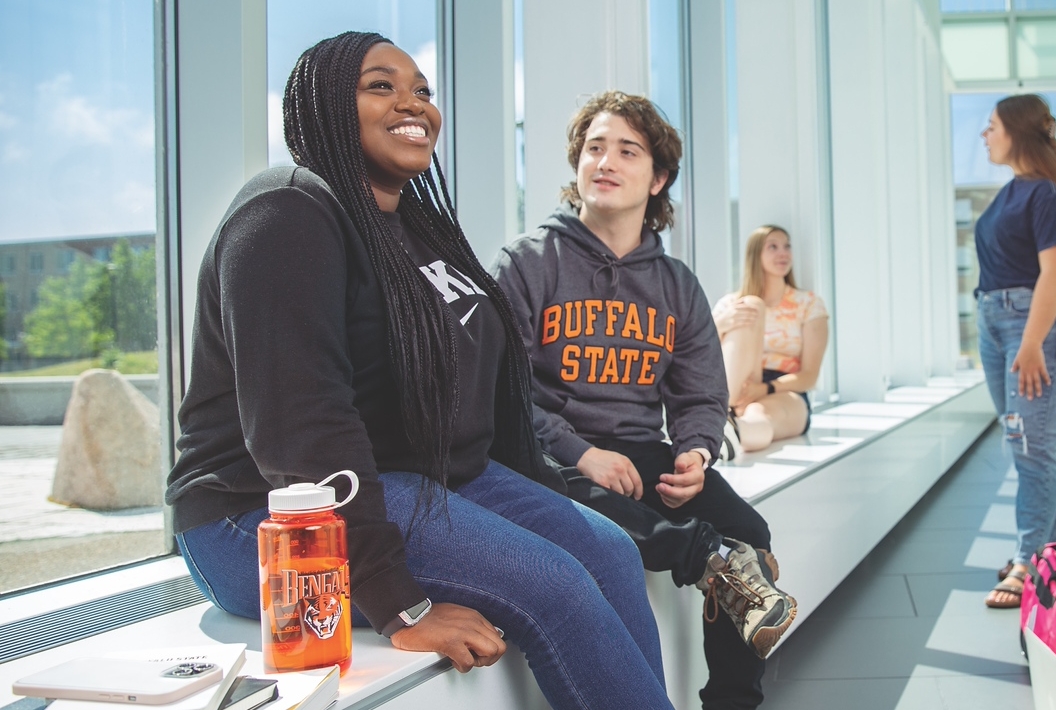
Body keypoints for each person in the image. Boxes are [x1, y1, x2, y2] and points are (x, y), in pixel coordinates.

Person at [165, 34, 672, 710]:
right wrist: (397, 603)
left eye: (423, 91)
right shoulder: (285, 213)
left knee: (610, 553)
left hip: (419, 478)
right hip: (267, 515)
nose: (413, 103)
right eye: (381, 85)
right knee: (557, 586)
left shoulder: (418, 225)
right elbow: (300, 427)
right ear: (323, 104)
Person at [492, 90, 795, 710]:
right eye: (593, 148)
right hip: (553, 459)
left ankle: (733, 701)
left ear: (657, 178)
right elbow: (500, 394)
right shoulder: (526, 263)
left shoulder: (675, 284)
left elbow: (700, 392)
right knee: (606, 517)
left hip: (642, 454)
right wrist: (581, 453)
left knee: (750, 531)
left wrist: (695, 453)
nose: (605, 161)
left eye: (626, 151)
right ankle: (705, 556)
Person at [974, 94, 1056, 609]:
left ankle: (1028, 560)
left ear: (1017, 131)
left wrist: (1031, 343)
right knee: (1027, 447)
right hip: (996, 322)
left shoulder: (1045, 195)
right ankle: (1054, 556)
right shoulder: (1013, 192)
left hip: (1034, 328)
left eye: (992, 126)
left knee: (1031, 448)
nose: (984, 134)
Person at [712, 225, 829, 453]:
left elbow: (810, 376)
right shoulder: (731, 304)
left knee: (759, 413)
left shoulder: (809, 304)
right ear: (755, 255)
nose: (783, 253)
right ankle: (719, 414)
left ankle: (731, 434)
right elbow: (699, 356)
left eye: (787, 246)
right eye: (773, 247)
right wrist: (720, 324)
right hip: (733, 384)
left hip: (782, 389)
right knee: (751, 305)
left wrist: (764, 388)